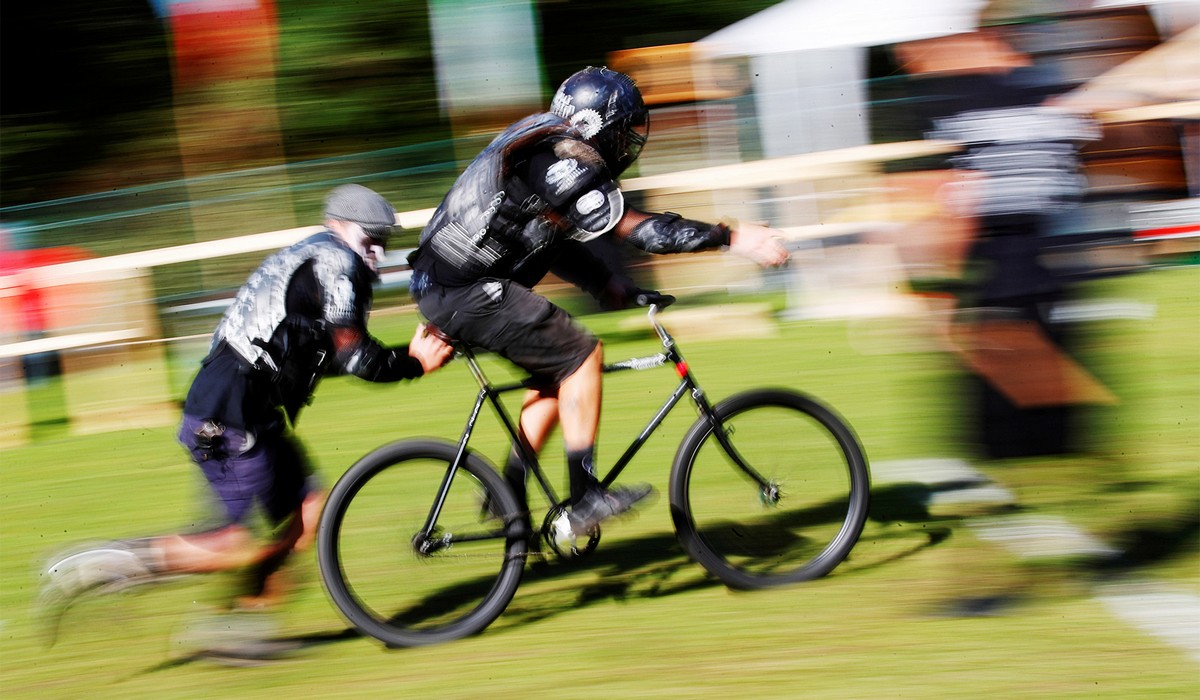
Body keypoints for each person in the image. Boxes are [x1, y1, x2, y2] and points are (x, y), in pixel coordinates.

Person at [39, 184, 454, 654]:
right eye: (374, 238)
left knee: (306, 513)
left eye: (387, 241)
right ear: (343, 229)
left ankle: (237, 630)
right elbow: (355, 357)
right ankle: (98, 566)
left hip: (244, 404)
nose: (380, 252)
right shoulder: (339, 263)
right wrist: (414, 362)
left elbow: (322, 356)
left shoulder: (317, 256)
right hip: (229, 409)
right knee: (233, 543)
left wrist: (403, 359)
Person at [408, 66, 789, 535]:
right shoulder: (560, 160)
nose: (630, 140)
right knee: (582, 355)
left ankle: (507, 491)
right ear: (599, 127)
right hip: (467, 289)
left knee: (555, 373)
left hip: (449, 286)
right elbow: (642, 230)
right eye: (625, 128)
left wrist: (607, 285)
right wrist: (730, 236)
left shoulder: (542, 142)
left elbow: (547, 237)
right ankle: (586, 499)